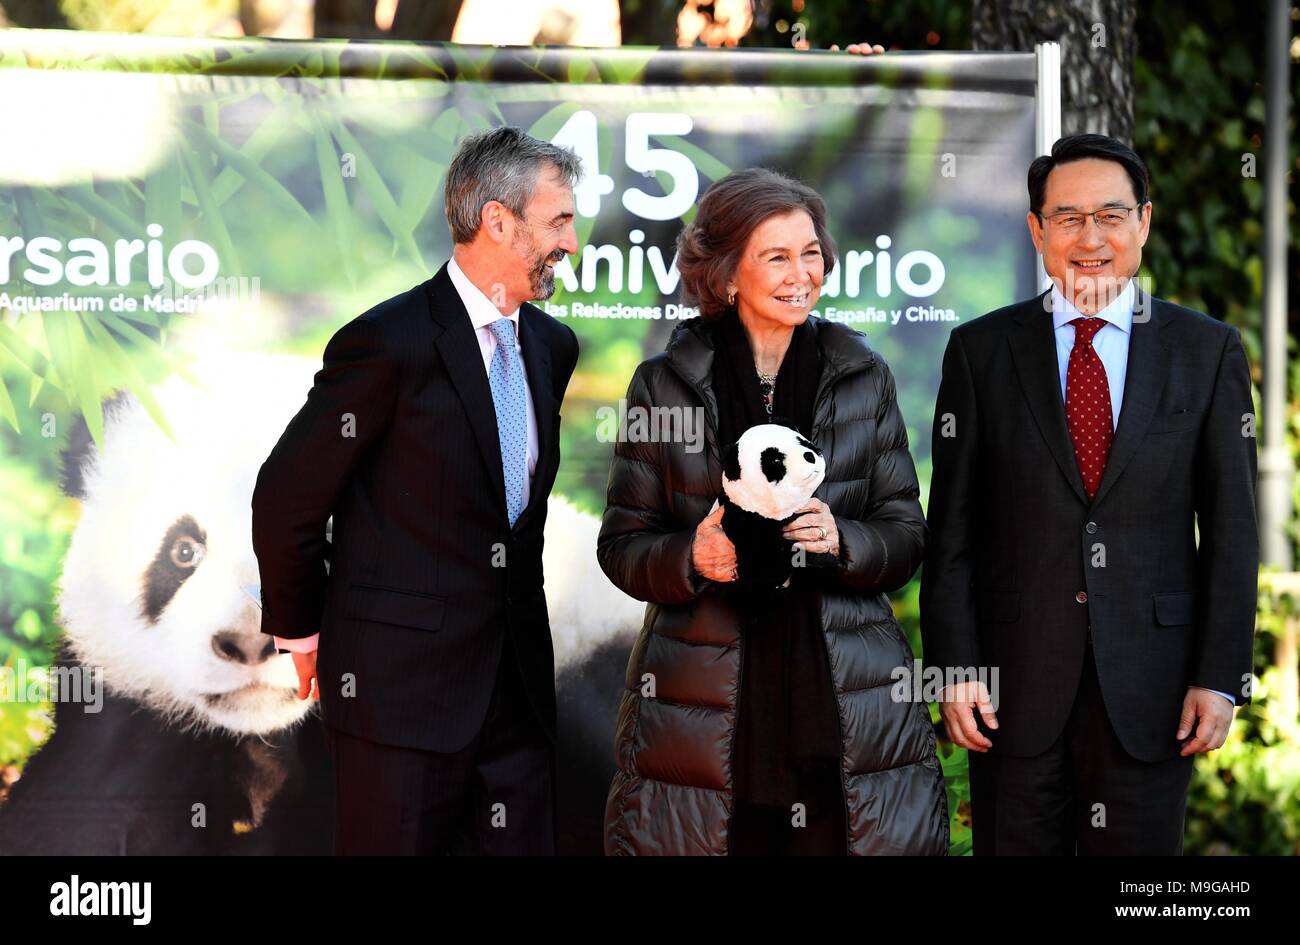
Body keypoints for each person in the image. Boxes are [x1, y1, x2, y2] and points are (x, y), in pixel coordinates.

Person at [920, 133, 1258, 855]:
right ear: (1038, 230)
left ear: (1143, 222)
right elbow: (951, 534)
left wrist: (1221, 677)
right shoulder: (981, 353)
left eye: (1110, 215)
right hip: (1009, 690)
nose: (1091, 237)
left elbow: (1232, 532)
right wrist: (954, 667)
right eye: (1068, 218)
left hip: (1156, 693)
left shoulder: (1207, 352)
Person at [598, 167, 949, 855]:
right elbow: (622, 544)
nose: (801, 272)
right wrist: (689, 558)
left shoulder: (861, 375)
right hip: (705, 703)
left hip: (843, 696)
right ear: (726, 276)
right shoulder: (664, 383)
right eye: (777, 256)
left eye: (811, 251)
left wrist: (845, 540)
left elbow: (906, 535)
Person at [251, 126, 581, 855]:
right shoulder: (388, 342)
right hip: (397, 704)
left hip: (517, 701)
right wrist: (301, 629)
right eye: (559, 220)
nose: (574, 240)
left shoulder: (553, 348)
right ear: (498, 220)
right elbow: (287, 495)